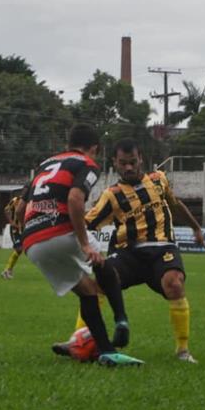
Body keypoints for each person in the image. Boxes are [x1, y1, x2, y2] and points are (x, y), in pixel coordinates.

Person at [19, 124, 143, 367]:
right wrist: (85, 244)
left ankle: (107, 351)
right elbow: (75, 198)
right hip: (61, 230)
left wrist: (19, 234)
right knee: (102, 262)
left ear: (69, 144)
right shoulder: (86, 163)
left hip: (33, 243)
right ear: (94, 148)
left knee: (87, 291)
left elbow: (21, 208)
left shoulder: (44, 165)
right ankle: (121, 319)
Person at [83, 140, 205, 363]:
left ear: (141, 159)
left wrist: (196, 227)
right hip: (128, 253)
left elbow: (175, 204)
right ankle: (81, 343)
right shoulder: (111, 195)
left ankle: (183, 351)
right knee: (96, 286)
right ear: (115, 163)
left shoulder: (159, 180)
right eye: (123, 163)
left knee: (175, 283)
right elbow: (86, 224)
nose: (128, 168)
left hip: (162, 249)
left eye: (132, 162)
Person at [1, 190, 26, 279]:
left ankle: (9, 270)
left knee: (23, 250)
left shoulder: (30, 201)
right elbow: (6, 210)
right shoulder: (16, 200)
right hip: (15, 229)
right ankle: (6, 271)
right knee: (19, 249)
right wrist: (11, 222)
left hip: (25, 229)